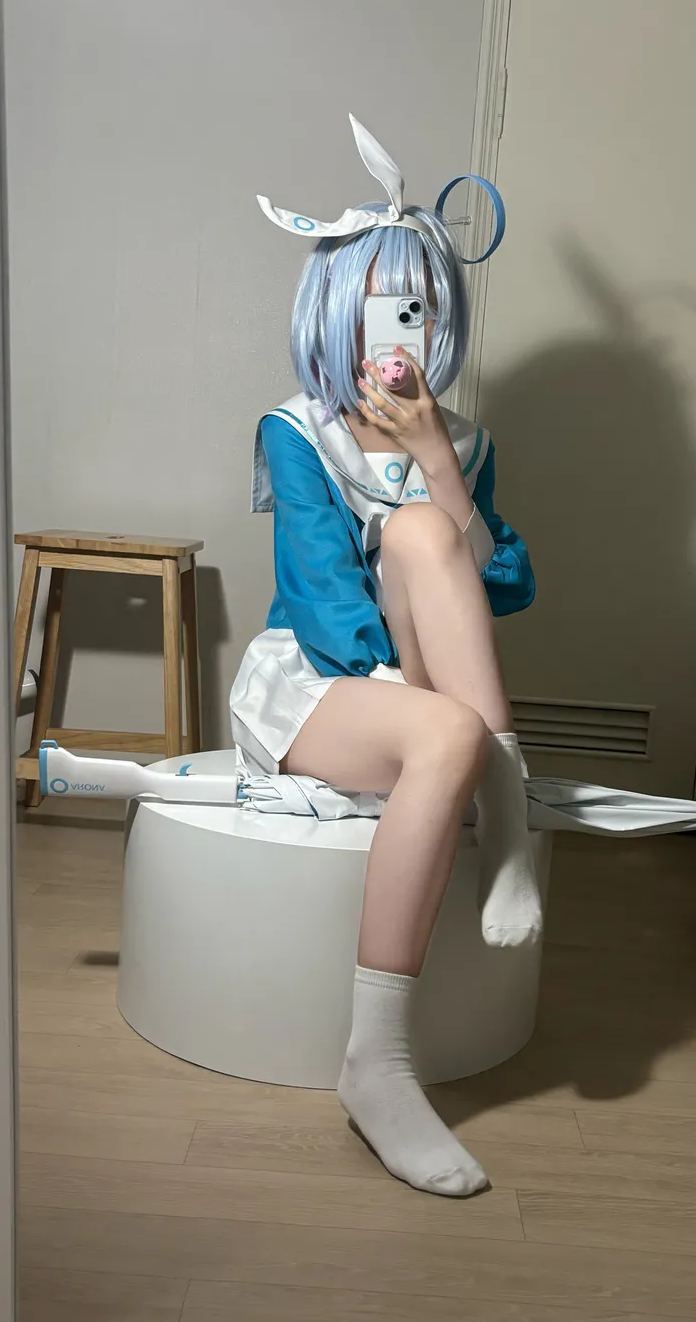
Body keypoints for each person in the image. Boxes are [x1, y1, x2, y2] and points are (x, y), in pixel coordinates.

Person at [230, 119, 537, 1198]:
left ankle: (501, 798)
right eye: (387, 306)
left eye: (424, 307)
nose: (409, 329)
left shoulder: (465, 442)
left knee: (422, 532)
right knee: (448, 731)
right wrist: (419, 701)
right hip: (324, 679)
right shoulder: (296, 430)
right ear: (338, 312)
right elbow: (320, 597)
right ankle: (378, 1064)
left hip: (428, 666)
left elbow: (500, 585)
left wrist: (435, 461)